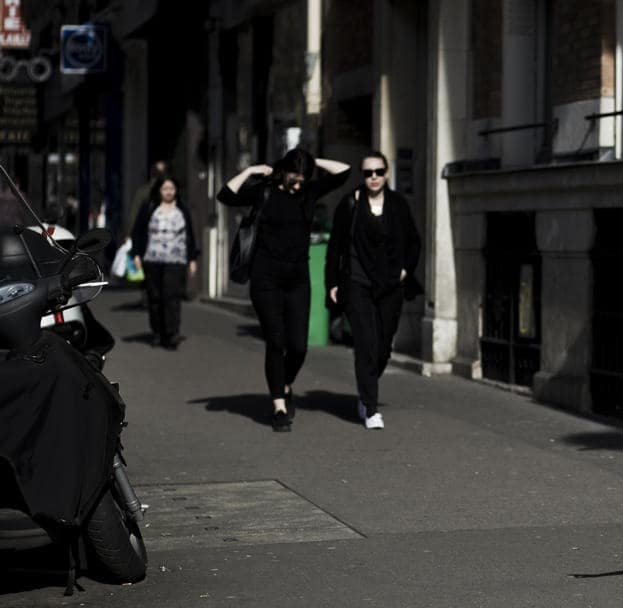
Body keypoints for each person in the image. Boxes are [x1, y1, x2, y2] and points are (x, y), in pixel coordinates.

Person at [217, 149, 351, 433]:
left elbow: (344, 172)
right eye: (295, 175)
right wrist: (251, 171)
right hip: (265, 278)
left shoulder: (308, 192)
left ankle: (284, 382)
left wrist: (313, 161)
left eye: (304, 176)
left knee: (299, 346)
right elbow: (225, 196)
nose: (299, 181)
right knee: (276, 341)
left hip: (297, 279)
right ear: (283, 171)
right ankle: (279, 405)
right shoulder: (263, 192)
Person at [325, 151, 422, 430]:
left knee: (382, 348)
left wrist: (405, 269)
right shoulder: (350, 205)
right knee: (366, 345)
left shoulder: (398, 205)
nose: (374, 178)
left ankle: (366, 390)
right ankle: (370, 407)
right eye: (368, 173)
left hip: (390, 284)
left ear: (387, 173)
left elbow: (414, 243)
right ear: (362, 176)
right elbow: (335, 247)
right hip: (356, 283)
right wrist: (332, 282)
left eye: (379, 172)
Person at [129, 175, 199, 350]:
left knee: (172, 296)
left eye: (172, 189)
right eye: (165, 189)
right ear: (159, 190)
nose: (169, 192)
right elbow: (138, 231)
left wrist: (192, 259)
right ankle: (157, 332)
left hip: (176, 260)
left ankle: (172, 333)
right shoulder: (149, 207)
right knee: (155, 297)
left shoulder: (182, 209)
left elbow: (189, 234)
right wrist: (136, 254)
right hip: (152, 259)